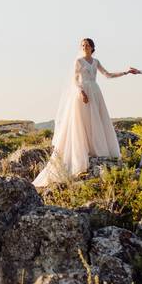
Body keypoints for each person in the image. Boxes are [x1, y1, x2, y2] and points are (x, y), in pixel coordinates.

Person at [33, 38, 131, 187]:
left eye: (87, 45)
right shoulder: (78, 61)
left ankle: (96, 148)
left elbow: (107, 74)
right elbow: (75, 80)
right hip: (83, 92)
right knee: (83, 121)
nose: (85, 47)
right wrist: (81, 92)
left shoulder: (96, 61)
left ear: (92, 47)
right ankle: (82, 153)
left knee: (96, 120)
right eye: (83, 45)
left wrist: (125, 72)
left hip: (96, 92)